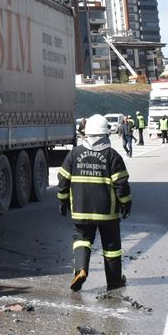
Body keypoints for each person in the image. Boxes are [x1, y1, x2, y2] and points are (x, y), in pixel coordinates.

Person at [57, 114, 132, 292]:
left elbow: (63, 180)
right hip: (108, 212)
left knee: (81, 240)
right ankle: (114, 281)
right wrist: (126, 203)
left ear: (86, 133)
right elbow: (121, 184)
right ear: (106, 134)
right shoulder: (112, 156)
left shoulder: (74, 154)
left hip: (81, 211)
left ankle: (81, 270)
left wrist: (62, 201)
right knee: (111, 247)